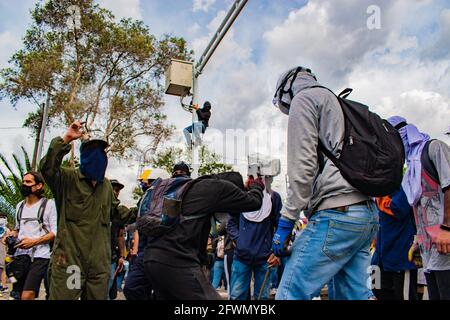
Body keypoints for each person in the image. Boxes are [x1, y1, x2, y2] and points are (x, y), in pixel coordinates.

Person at [271, 66, 378, 300]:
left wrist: (286, 222)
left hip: (337, 216)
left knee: (290, 293)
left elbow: (303, 170)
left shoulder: (303, 99)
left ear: (286, 91)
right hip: (365, 215)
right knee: (356, 294)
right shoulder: (338, 103)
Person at [39, 121, 132, 300]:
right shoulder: (67, 179)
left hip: (99, 266)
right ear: (83, 155)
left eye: (101, 151)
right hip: (71, 264)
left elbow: (118, 213)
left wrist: (146, 208)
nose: (98, 155)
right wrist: (66, 138)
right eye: (92, 149)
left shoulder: (106, 186)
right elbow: (47, 168)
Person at [144, 172, 264, 300]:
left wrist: (204, 259)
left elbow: (192, 233)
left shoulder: (194, 187)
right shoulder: (221, 188)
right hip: (177, 260)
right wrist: (256, 186)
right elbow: (254, 203)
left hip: (152, 259)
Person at [388, 116, 450, 300]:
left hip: (445, 241)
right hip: (428, 248)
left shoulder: (434, 148)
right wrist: (417, 239)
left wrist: (447, 228)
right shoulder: (411, 166)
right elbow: (420, 204)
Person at [123, 165, 179, 300]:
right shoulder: (144, 199)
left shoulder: (172, 198)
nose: (143, 184)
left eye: (145, 181)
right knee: (132, 288)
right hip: (144, 254)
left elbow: (170, 225)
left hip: (163, 253)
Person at [228, 175, 282, 300]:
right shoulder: (241, 196)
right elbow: (231, 222)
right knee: (237, 296)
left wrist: (276, 250)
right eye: (253, 175)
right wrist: (239, 240)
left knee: (262, 297)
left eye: (261, 176)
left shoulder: (274, 198)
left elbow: (280, 225)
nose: (257, 179)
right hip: (241, 257)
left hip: (265, 258)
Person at [7, 172, 57, 300]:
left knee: (27, 295)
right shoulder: (20, 206)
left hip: (40, 256)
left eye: (28, 182)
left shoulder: (48, 205)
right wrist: (10, 235)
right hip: (20, 257)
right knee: (16, 294)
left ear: (39, 185)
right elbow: (18, 229)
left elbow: (55, 232)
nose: (24, 184)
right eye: (23, 181)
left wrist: (33, 242)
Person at [371, 187, 418, 300]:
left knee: (404, 295)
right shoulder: (374, 187)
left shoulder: (404, 186)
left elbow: (398, 208)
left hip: (401, 255)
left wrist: (378, 196)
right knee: (376, 288)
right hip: (379, 256)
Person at [108, 179, 128, 299]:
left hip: (111, 258)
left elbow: (120, 235)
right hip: (94, 259)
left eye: (117, 190)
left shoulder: (118, 213)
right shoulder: (97, 208)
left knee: (109, 292)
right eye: (113, 189)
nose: (116, 193)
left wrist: (121, 256)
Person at [0, 212, 9, 295]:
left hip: (2, 251)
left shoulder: (4, 229)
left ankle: (5, 286)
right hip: (4, 251)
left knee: (1, 268)